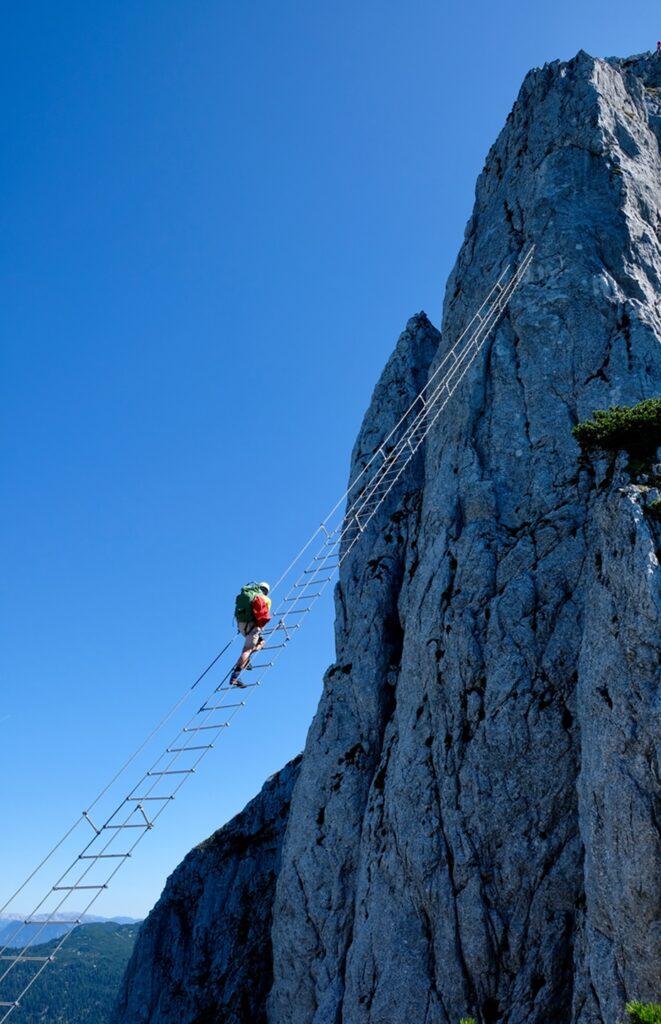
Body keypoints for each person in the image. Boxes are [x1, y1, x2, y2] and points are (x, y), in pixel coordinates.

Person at [230, 581, 272, 687]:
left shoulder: (250, 594)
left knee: (260, 641)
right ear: (267, 591)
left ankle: (245, 660)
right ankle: (236, 675)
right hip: (253, 626)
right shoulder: (266, 599)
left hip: (241, 624)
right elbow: (264, 615)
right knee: (248, 650)